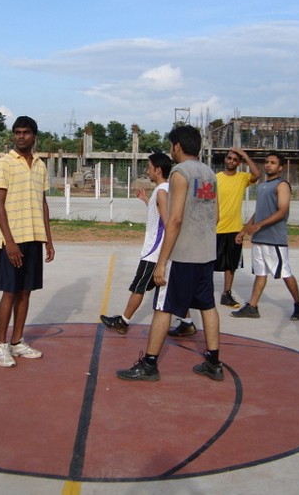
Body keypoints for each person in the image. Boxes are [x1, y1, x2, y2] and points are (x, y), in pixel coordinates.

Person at [116, 125, 223, 382]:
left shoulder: (179, 172)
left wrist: (162, 262)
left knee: (163, 307)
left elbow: (173, 220)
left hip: (182, 255)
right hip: (206, 253)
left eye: (170, 146)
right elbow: (216, 216)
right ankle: (214, 362)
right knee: (207, 306)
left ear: (177, 146)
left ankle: (150, 364)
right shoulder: (209, 174)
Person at [168, 147, 261, 337]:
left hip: (234, 227)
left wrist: (245, 156)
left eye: (235, 159)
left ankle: (226, 293)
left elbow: (257, 174)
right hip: (215, 227)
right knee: (209, 262)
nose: (231, 161)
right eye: (229, 158)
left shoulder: (242, 178)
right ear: (225, 159)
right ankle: (202, 292)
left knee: (230, 265)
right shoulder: (214, 177)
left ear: (239, 162)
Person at [0, 116, 55, 368]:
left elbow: (43, 203)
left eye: (25, 132)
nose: (20, 136)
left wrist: (48, 239)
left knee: (25, 291)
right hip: (12, 239)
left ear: (34, 136)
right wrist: (9, 241)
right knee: (10, 291)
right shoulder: (4, 164)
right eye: (17, 132)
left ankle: (17, 341)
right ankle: (0, 345)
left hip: (34, 237)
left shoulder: (40, 165)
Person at [100, 152, 172, 334]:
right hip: (157, 251)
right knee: (166, 289)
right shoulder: (165, 189)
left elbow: (168, 222)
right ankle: (187, 322)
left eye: (149, 167)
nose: (147, 171)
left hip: (154, 252)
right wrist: (146, 200)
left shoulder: (162, 191)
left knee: (138, 287)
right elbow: (158, 213)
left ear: (158, 169)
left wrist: (162, 256)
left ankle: (123, 322)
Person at [231, 151, 299, 320]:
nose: (268, 165)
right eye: (267, 162)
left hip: (274, 239)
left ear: (280, 167)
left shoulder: (282, 185)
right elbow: (259, 213)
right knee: (260, 273)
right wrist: (244, 230)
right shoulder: (263, 186)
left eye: (272, 162)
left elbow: (282, 211)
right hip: (259, 239)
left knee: (285, 272)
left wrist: (259, 225)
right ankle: (252, 306)